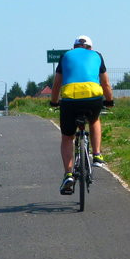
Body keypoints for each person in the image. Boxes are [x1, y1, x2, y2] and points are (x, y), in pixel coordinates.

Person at [49, 35, 114, 195]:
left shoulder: (65, 56)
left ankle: (68, 175)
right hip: (93, 97)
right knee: (94, 120)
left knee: (67, 137)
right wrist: (110, 100)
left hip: (70, 99)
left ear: (74, 46)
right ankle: (97, 155)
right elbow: (105, 83)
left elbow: (57, 83)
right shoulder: (97, 55)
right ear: (90, 48)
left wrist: (54, 101)